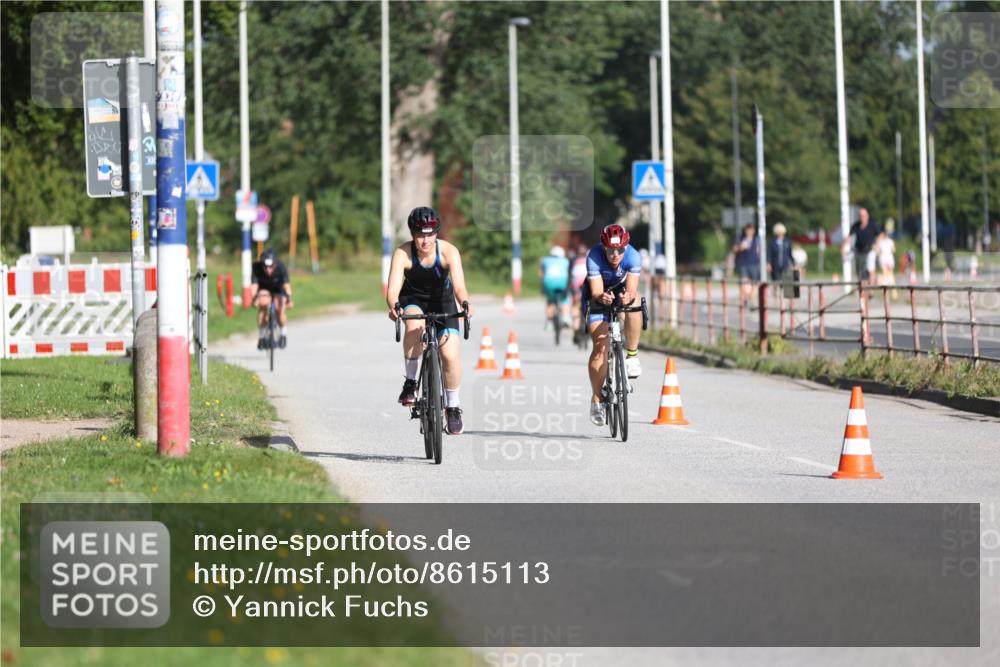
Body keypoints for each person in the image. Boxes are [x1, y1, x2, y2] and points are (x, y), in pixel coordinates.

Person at [386, 206, 473, 436]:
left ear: (436, 232)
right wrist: (394, 306)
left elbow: (460, 287)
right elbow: (393, 290)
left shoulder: (448, 252)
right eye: (420, 234)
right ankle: (411, 383)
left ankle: (452, 407)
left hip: (443, 301)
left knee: (450, 355)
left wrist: (465, 304)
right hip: (414, 299)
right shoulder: (403, 253)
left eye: (430, 234)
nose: (425, 240)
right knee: (415, 328)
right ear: (412, 234)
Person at [583, 224, 643, 426]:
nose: (615, 255)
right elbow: (596, 291)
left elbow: (632, 289)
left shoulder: (633, 256)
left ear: (626, 247)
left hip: (621, 290)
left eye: (619, 250)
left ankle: (632, 356)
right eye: (610, 250)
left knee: (636, 302)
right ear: (603, 247)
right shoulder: (594, 257)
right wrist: (602, 297)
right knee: (600, 348)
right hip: (599, 293)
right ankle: (597, 399)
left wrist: (628, 296)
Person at [251, 248, 294, 349]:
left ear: (275, 264)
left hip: (278, 289)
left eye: (271, 267)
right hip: (264, 289)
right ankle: (262, 336)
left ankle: (283, 334)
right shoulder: (256, 267)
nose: (268, 270)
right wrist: (254, 299)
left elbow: (286, 285)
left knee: (280, 311)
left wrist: (289, 299)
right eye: (265, 267)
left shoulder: (281, 267)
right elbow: (254, 286)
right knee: (263, 306)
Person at [539, 246, 571, 331]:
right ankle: (566, 317)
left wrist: (542, 285)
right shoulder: (565, 261)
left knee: (550, 302)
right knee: (565, 299)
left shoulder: (545, 260)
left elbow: (541, 274)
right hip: (562, 282)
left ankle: (549, 323)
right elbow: (568, 273)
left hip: (548, 283)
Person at [846, 207, 880, 283]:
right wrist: (843, 246)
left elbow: (880, 235)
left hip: (870, 250)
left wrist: (877, 244)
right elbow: (849, 237)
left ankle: (871, 288)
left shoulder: (872, 225)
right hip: (859, 251)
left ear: (867, 216)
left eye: (864, 215)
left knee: (870, 269)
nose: (862, 217)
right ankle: (863, 290)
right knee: (860, 272)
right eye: (861, 216)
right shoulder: (856, 226)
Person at [568, 243, 589, 333]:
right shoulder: (589, 260)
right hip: (587, 282)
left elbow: (570, 274)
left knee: (576, 304)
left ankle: (576, 327)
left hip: (577, 284)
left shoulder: (573, 261)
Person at [876, 222, 896, 288]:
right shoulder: (887, 241)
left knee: (888, 273)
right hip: (886, 257)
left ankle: (887, 284)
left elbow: (893, 250)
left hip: (886, 257)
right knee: (887, 273)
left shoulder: (887, 241)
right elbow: (893, 250)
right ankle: (886, 284)